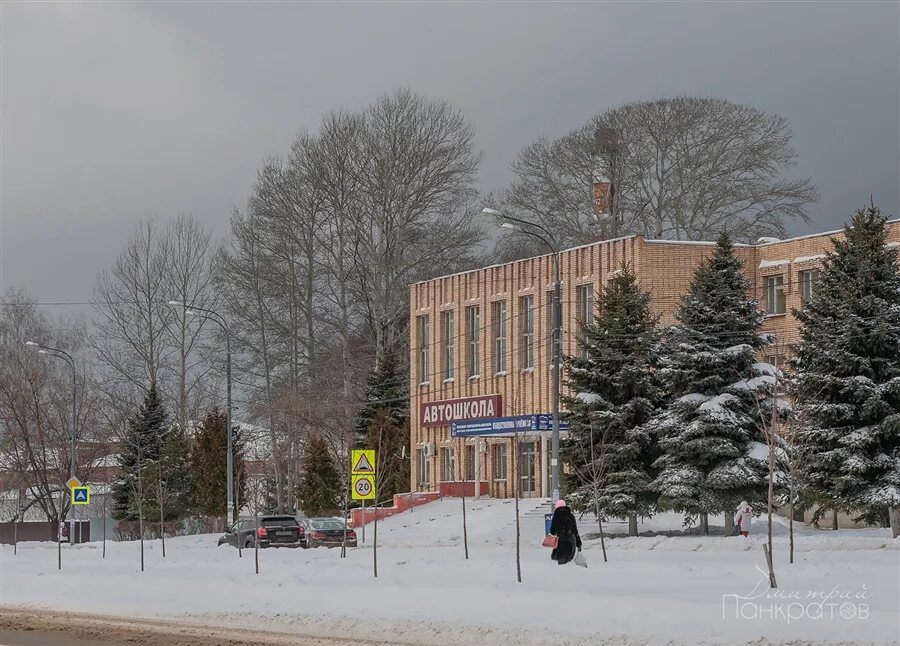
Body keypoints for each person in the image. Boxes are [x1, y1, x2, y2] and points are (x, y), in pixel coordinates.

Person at [549, 499, 582, 565]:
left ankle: (562, 574)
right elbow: (575, 530)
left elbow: (552, 531)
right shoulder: (571, 516)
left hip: (561, 540)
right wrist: (578, 543)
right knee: (569, 561)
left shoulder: (556, 516)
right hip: (571, 540)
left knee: (561, 560)